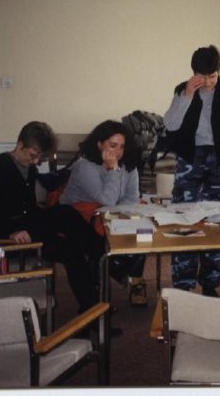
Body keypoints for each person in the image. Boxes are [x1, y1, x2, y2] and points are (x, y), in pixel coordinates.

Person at [0, 121, 98, 312]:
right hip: (12, 238)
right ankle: (101, 259)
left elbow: (30, 209)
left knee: (69, 228)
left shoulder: (28, 168)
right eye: (33, 156)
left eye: (39, 157)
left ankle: (91, 305)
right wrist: (10, 233)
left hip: (28, 226)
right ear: (20, 145)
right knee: (68, 234)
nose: (36, 162)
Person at [163, 45, 220, 297]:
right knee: (185, 220)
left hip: (219, 161)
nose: (209, 83)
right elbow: (170, 124)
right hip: (190, 158)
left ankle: (210, 283)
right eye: (204, 77)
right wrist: (187, 95)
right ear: (194, 73)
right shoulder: (183, 90)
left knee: (215, 222)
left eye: (213, 76)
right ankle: (184, 284)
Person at [60, 120, 148, 306]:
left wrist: (125, 213)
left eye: (122, 147)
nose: (118, 152)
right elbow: (106, 199)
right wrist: (113, 170)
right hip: (79, 218)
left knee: (143, 227)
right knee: (102, 234)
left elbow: (132, 197)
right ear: (99, 144)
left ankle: (131, 277)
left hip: (110, 213)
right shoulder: (85, 167)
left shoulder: (128, 166)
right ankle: (117, 274)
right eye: (112, 145)